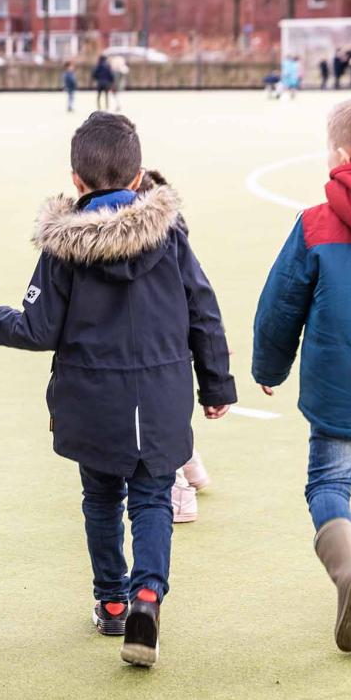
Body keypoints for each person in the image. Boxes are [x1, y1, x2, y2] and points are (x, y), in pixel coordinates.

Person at [0, 112, 236, 668]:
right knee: (152, 497)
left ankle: (112, 601)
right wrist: (216, 382)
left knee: (101, 498)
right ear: (138, 175)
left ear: (76, 181)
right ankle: (148, 595)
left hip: (91, 396)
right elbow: (204, 310)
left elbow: (37, 327)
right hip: (162, 391)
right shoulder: (171, 235)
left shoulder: (62, 245)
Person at [253, 91, 351, 654]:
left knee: (329, 482)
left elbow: (281, 304)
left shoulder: (316, 224)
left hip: (340, 387)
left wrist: (269, 365)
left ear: (339, 156)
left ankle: (349, 575)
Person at [135, 168, 216, 524]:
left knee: (157, 419)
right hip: (176, 343)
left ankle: (180, 490)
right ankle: (192, 466)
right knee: (169, 412)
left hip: (158, 344)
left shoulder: (153, 241)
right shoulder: (174, 233)